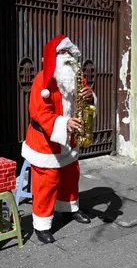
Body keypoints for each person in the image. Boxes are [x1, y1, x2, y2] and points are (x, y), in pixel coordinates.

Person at [21, 34, 95, 244]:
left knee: (71, 175)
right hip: (46, 142)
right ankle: (41, 224)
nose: (67, 57)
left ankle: (69, 208)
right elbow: (39, 113)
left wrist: (90, 96)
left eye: (69, 52)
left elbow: (84, 99)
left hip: (69, 141)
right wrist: (64, 124)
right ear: (53, 57)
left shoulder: (76, 78)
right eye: (62, 53)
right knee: (47, 181)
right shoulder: (42, 81)